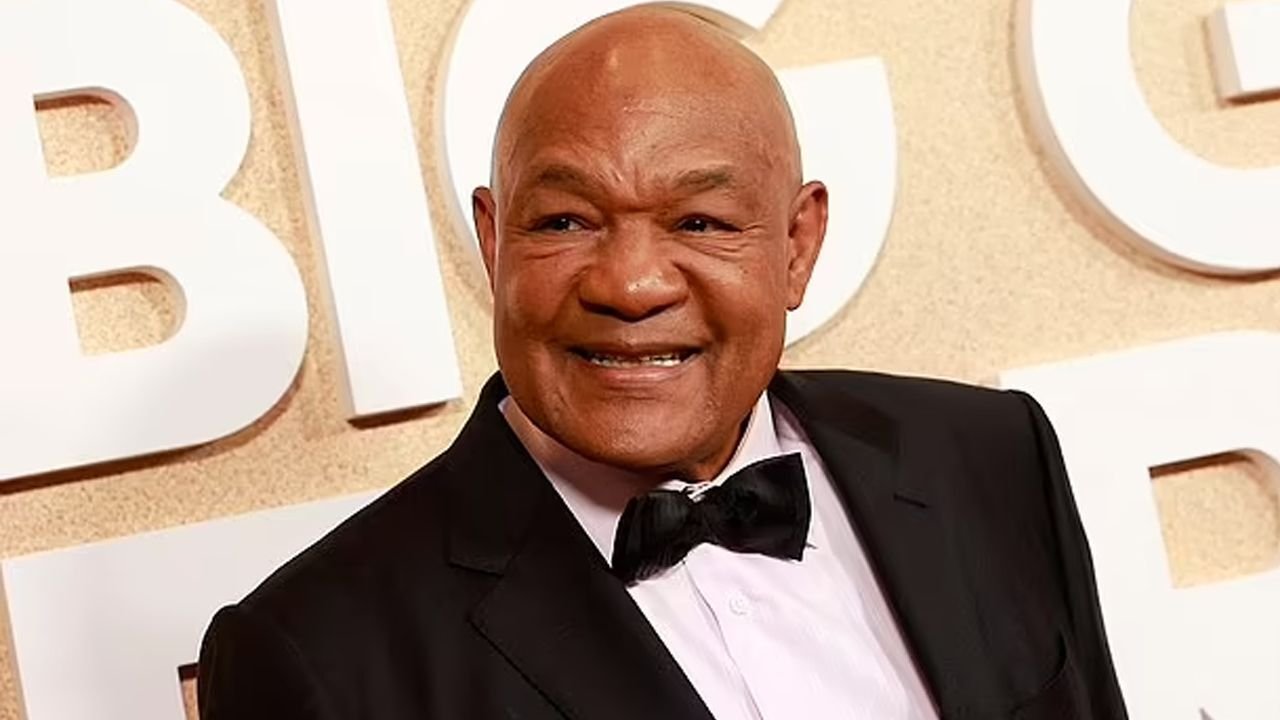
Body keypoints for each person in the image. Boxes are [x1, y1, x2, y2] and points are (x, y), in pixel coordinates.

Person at [197, 7, 1126, 719]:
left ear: (797, 245)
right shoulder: (316, 659)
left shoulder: (989, 454)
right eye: (565, 220)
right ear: (494, 240)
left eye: (701, 221)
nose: (632, 284)